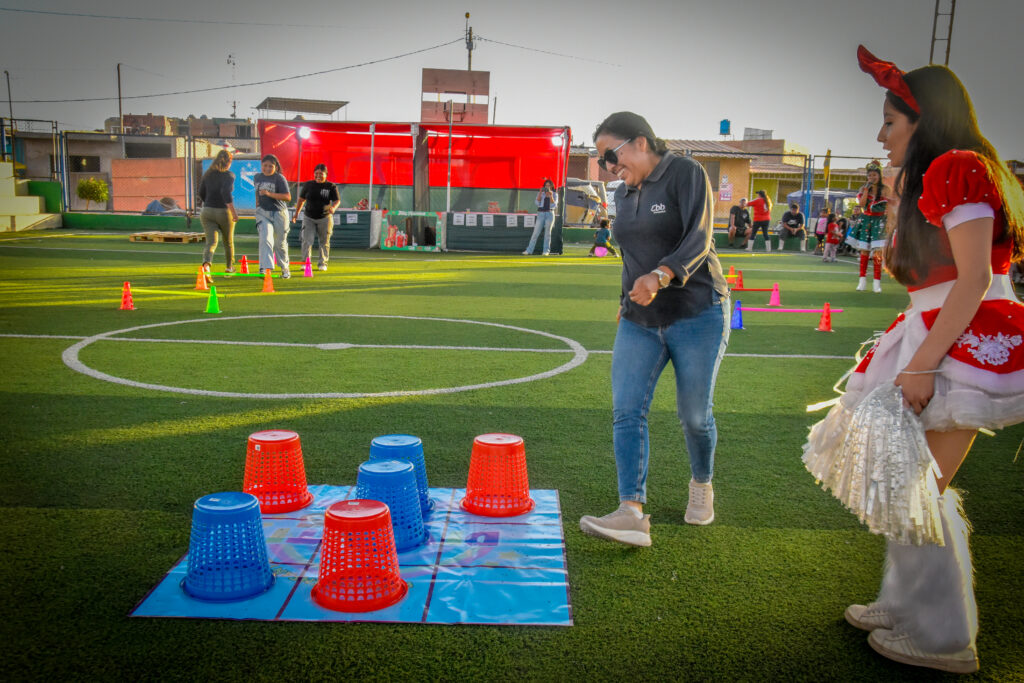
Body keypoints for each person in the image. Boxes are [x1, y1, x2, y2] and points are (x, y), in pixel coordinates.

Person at [802, 45, 1024, 675]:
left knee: (918, 490)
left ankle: (941, 637)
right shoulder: (946, 172)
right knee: (908, 486)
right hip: (940, 330)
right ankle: (906, 605)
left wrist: (923, 363)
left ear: (923, 121)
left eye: (890, 122)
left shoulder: (958, 166)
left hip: (959, 338)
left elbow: (974, 277)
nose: (881, 136)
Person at [579, 111, 731, 547]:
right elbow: (630, 255)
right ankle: (631, 511)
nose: (608, 166)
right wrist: (625, 300)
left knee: (695, 417)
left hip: (698, 312)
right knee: (627, 409)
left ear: (641, 142)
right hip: (640, 320)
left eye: (611, 155)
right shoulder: (622, 193)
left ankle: (701, 483)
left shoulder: (685, 172)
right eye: (602, 160)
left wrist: (662, 275)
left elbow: (699, 238)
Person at [847, 160, 890, 292]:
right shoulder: (863, 188)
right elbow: (861, 204)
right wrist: (866, 189)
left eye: (874, 175)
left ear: (879, 175)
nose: (871, 177)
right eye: (869, 175)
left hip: (880, 221)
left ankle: (877, 283)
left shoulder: (886, 189)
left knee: (878, 253)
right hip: (865, 221)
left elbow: (890, 206)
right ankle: (862, 281)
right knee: (864, 252)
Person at [196, 150, 238, 278]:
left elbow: (201, 193)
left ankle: (206, 266)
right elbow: (226, 193)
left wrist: (209, 203)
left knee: (211, 242)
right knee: (228, 242)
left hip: (207, 211)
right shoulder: (229, 175)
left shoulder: (208, 174)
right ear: (229, 162)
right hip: (223, 212)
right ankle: (229, 268)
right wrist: (233, 212)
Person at [295, 164, 340, 271]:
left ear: (326, 174)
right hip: (309, 217)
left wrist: (333, 207)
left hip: (325, 218)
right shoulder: (308, 185)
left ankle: (322, 263)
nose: (318, 175)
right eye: (316, 173)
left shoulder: (331, 186)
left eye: (321, 173)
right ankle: (306, 263)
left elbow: (337, 200)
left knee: (324, 241)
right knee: (307, 241)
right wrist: (296, 214)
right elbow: (301, 200)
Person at [254, 154, 292, 278]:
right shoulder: (257, 177)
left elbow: (287, 197)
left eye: (271, 166)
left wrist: (269, 194)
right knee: (265, 238)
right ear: (261, 165)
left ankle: (285, 268)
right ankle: (265, 268)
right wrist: (257, 203)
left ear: (276, 167)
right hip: (263, 212)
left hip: (279, 213)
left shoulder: (279, 178)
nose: (267, 168)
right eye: (265, 165)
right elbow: (257, 192)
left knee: (280, 243)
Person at [524, 179, 558, 255]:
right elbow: (537, 203)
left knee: (547, 233)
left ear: (552, 186)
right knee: (535, 232)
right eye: (546, 186)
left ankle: (546, 251)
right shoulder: (541, 193)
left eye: (549, 185)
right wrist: (540, 192)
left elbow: (554, 205)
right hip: (541, 213)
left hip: (549, 213)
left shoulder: (555, 194)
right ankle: (529, 250)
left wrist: (551, 196)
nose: (547, 187)